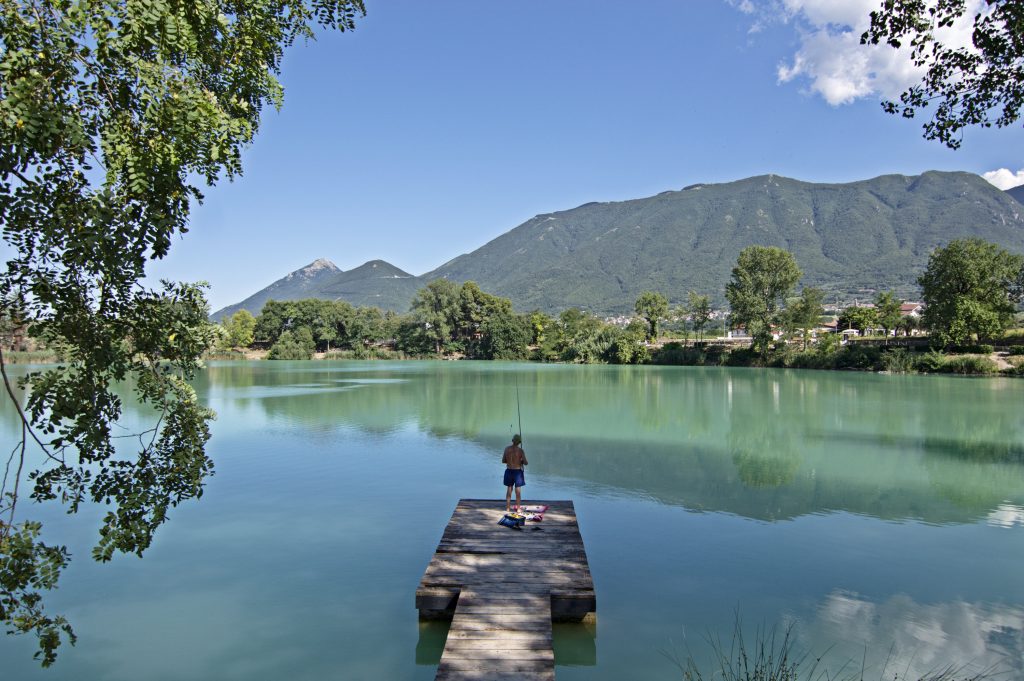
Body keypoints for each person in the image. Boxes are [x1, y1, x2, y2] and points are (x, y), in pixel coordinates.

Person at [502, 433, 528, 513]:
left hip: (509, 470)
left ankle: (508, 508)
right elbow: (526, 463)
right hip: (517, 472)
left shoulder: (507, 449)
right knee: (518, 491)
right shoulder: (520, 451)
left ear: (512, 440)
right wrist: (521, 461)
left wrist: (510, 461)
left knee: (509, 489)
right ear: (519, 442)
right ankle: (518, 508)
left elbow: (503, 461)